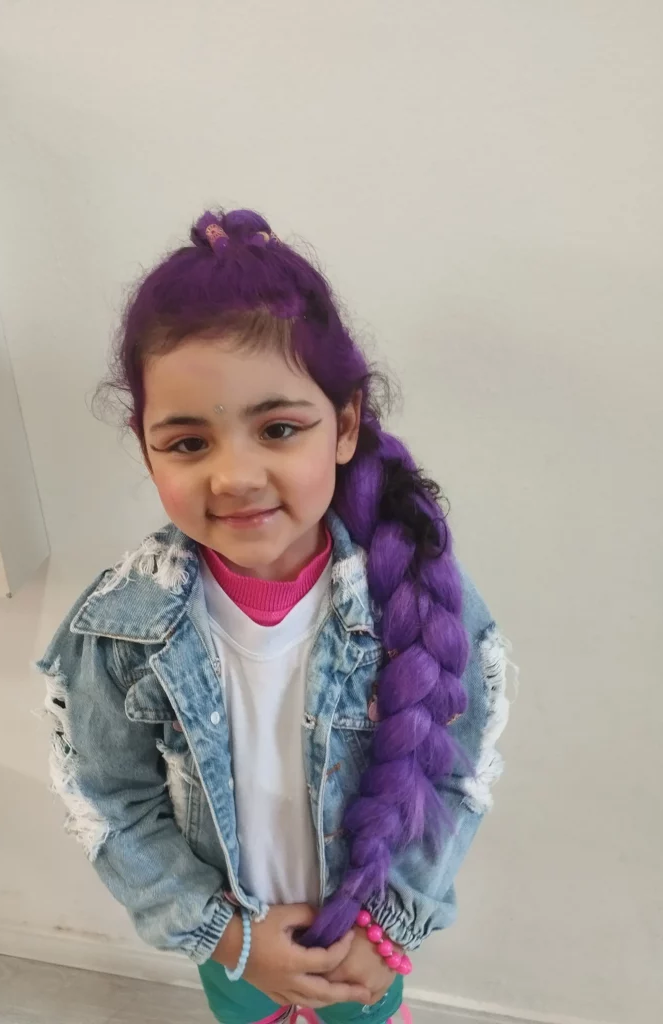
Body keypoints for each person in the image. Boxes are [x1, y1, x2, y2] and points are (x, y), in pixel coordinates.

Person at [38, 209, 511, 1024]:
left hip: (367, 941)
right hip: (234, 946)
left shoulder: (419, 601)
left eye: (279, 428)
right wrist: (226, 936)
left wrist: (390, 923)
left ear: (345, 425)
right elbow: (108, 799)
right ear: (145, 445)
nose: (235, 476)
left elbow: (454, 775)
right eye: (188, 443)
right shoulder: (115, 628)